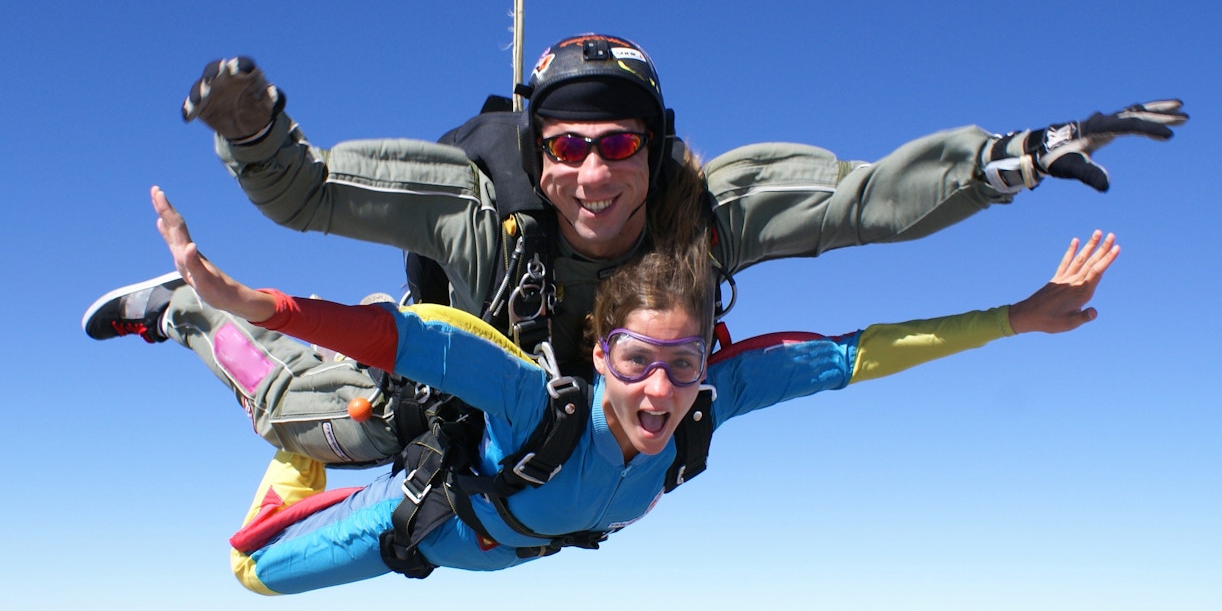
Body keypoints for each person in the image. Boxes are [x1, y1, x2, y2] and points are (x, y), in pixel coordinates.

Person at [83, 34, 1184, 468]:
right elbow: (311, 195)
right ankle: (186, 319)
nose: (592, 174)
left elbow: (862, 204)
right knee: (318, 427)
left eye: (619, 144)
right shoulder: (478, 213)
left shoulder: (704, 215)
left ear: (653, 150)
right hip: (466, 387)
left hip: (594, 412)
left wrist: (1010, 160)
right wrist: (255, 133)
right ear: (539, 152)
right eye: (566, 147)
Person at [152, 182, 1119, 594]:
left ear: (708, 361)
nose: (660, 390)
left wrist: (1015, 318)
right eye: (635, 363)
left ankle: (290, 413)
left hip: (493, 551)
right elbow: (422, 340)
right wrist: (261, 301)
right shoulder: (543, 405)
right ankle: (215, 340)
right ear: (598, 355)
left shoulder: (708, 406)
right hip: (424, 523)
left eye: (684, 364)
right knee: (250, 575)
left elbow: (858, 353)